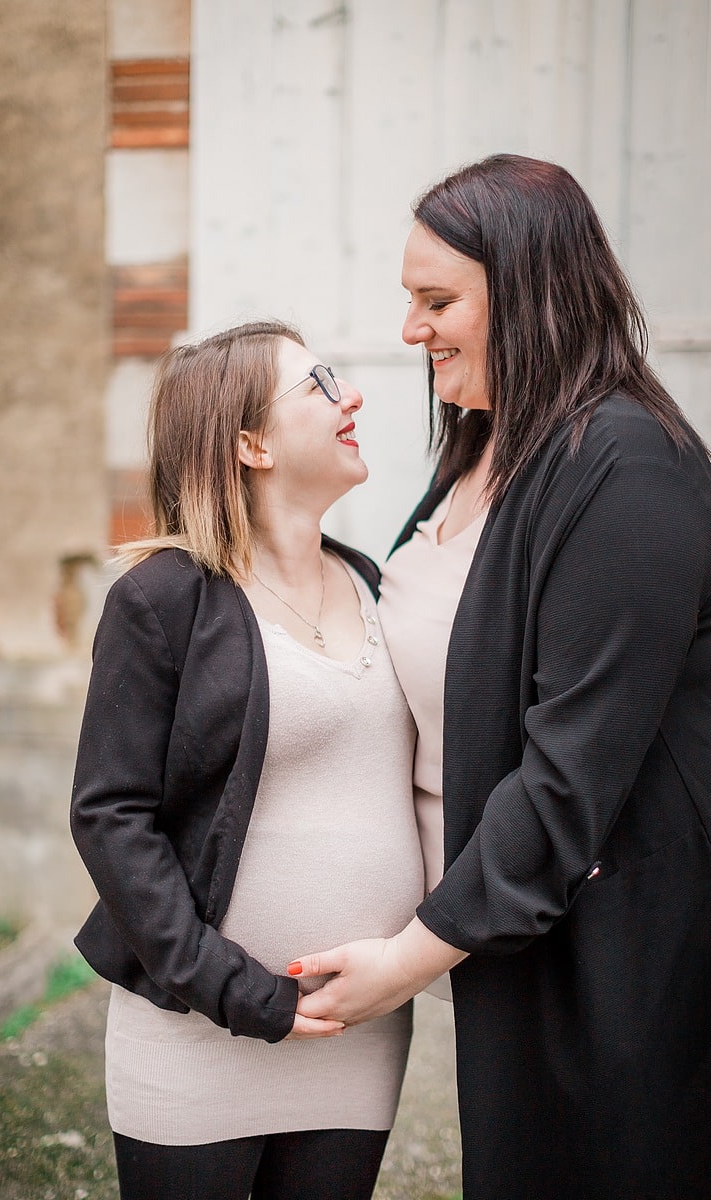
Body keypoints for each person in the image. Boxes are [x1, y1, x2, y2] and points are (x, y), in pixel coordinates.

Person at [289, 154, 711, 1200]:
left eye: (436, 302)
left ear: (528, 293)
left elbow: (568, 771)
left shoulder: (626, 467)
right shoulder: (484, 447)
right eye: (408, 301)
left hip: (610, 961)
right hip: (503, 940)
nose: (408, 332)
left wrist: (410, 953)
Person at [69, 320, 426, 1200]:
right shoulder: (162, 599)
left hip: (354, 1035)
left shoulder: (377, 584)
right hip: (198, 1036)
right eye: (320, 385)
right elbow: (110, 818)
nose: (353, 397)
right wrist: (240, 993)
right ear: (249, 441)